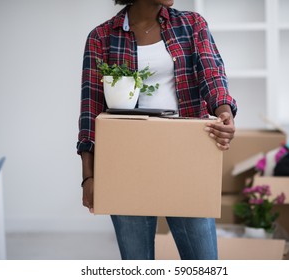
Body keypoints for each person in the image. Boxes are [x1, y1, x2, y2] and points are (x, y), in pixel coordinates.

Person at [77, 0, 237, 260]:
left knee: (203, 264)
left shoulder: (192, 24)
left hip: (186, 158)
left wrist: (223, 111)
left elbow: (212, 74)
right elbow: (90, 109)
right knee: (137, 264)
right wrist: (88, 176)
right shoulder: (102, 37)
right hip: (127, 163)